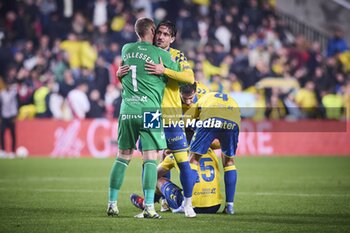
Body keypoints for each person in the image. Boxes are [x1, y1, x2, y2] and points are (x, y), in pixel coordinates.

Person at [117, 20, 197, 218]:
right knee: (150, 162)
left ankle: (188, 204)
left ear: (173, 38)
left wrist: (164, 71)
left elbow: (189, 78)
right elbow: (131, 77)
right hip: (150, 114)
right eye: (159, 32)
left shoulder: (177, 55)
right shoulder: (145, 51)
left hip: (170, 116)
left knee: (181, 162)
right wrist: (119, 75)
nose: (161, 37)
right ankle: (153, 205)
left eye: (166, 34)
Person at [181, 83, 241, 214]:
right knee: (229, 162)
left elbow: (184, 121)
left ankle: (188, 203)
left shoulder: (202, 101)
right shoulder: (223, 97)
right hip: (233, 121)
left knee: (193, 160)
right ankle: (230, 206)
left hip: (211, 118)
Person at [0, 81, 18, 158]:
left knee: (13, 134)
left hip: (11, 116)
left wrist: (15, 115)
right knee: (2, 134)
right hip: (4, 116)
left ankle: (12, 151)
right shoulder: (2, 94)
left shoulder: (13, 93)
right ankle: (3, 150)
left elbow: (16, 104)